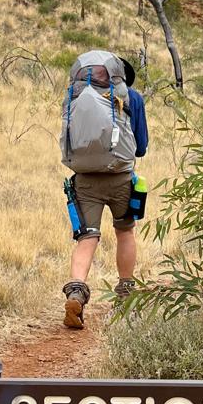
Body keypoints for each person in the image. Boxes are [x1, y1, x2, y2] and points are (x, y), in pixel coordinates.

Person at [61, 54, 148, 329]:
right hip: (121, 177)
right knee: (125, 230)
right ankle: (124, 294)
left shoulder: (75, 95)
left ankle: (75, 293)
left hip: (85, 178)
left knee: (87, 238)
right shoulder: (132, 98)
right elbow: (141, 147)